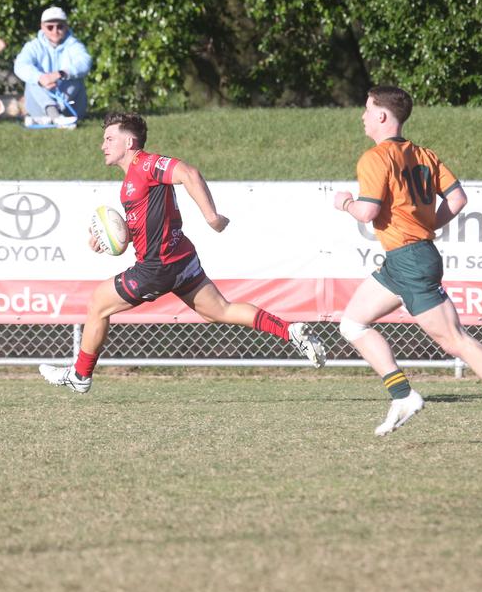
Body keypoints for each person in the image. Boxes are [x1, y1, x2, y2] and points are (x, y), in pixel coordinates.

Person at [39, 112, 326, 393]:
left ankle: (80, 375)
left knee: (98, 303)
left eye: (109, 138)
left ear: (129, 143)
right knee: (221, 311)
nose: (103, 145)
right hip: (180, 260)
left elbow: (189, 173)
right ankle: (290, 331)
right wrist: (111, 238)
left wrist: (212, 217)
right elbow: (146, 226)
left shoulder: (146, 164)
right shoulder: (131, 180)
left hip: (158, 267)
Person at [333, 85, 482, 446]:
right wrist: (426, 225)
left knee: (455, 340)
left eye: (367, 109)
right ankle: (402, 396)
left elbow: (366, 211)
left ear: (382, 115)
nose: (362, 116)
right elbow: (457, 199)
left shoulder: (374, 157)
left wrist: (345, 203)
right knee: (352, 323)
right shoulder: (425, 154)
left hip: (411, 259)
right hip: (403, 260)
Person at [13, 6, 92, 129]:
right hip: (40, 105)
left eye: (59, 26)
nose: (55, 31)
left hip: (70, 108)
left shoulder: (74, 45)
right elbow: (20, 65)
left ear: (66, 26)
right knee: (33, 80)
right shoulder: (33, 46)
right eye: (50, 27)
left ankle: (53, 117)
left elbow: (85, 62)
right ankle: (54, 115)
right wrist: (41, 78)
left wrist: (61, 74)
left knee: (74, 77)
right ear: (42, 27)